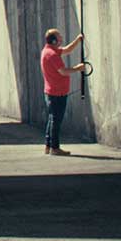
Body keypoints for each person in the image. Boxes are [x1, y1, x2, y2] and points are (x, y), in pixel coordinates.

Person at [41, 28, 86, 156]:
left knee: (52, 119)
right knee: (56, 120)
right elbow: (63, 71)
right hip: (57, 93)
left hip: (52, 92)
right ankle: (55, 148)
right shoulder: (52, 55)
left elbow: (67, 50)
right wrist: (78, 68)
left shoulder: (48, 50)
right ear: (54, 40)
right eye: (59, 36)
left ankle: (48, 145)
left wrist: (78, 40)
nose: (61, 38)